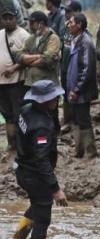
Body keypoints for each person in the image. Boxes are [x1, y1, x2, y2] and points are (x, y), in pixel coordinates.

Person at [7, 80, 68, 239]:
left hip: (22, 168)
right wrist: (56, 189)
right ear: (43, 100)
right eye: (54, 97)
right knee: (43, 216)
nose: (57, 100)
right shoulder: (42, 126)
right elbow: (42, 161)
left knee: (37, 205)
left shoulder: (26, 110)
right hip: (34, 175)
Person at [66, 13, 98, 158]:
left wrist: (77, 89)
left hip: (81, 91)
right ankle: (79, 151)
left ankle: (90, 153)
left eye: (71, 22)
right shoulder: (75, 40)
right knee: (76, 119)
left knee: (84, 120)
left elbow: (87, 69)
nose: (68, 24)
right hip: (73, 89)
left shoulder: (86, 42)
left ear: (79, 25)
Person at [0, 4, 29, 151]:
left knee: (19, 113)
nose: (7, 21)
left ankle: (22, 145)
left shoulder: (23, 35)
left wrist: (14, 68)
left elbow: (29, 59)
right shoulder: (0, 34)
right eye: (5, 18)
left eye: (10, 18)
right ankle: (12, 145)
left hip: (17, 82)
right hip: (1, 83)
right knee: (7, 114)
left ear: (16, 18)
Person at [15, 11, 62, 88]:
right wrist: (39, 56)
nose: (29, 25)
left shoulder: (53, 38)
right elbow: (19, 56)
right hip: (31, 83)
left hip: (47, 85)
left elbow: (47, 59)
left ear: (41, 24)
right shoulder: (31, 38)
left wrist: (28, 63)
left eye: (32, 23)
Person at [59, 0, 82, 134]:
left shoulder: (82, 30)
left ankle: (75, 122)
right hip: (64, 66)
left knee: (75, 94)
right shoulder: (64, 28)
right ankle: (67, 119)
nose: (66, 14)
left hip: (75, 69)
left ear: (77, 12)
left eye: (69, 11)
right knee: (65, 93)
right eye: (66, 11)